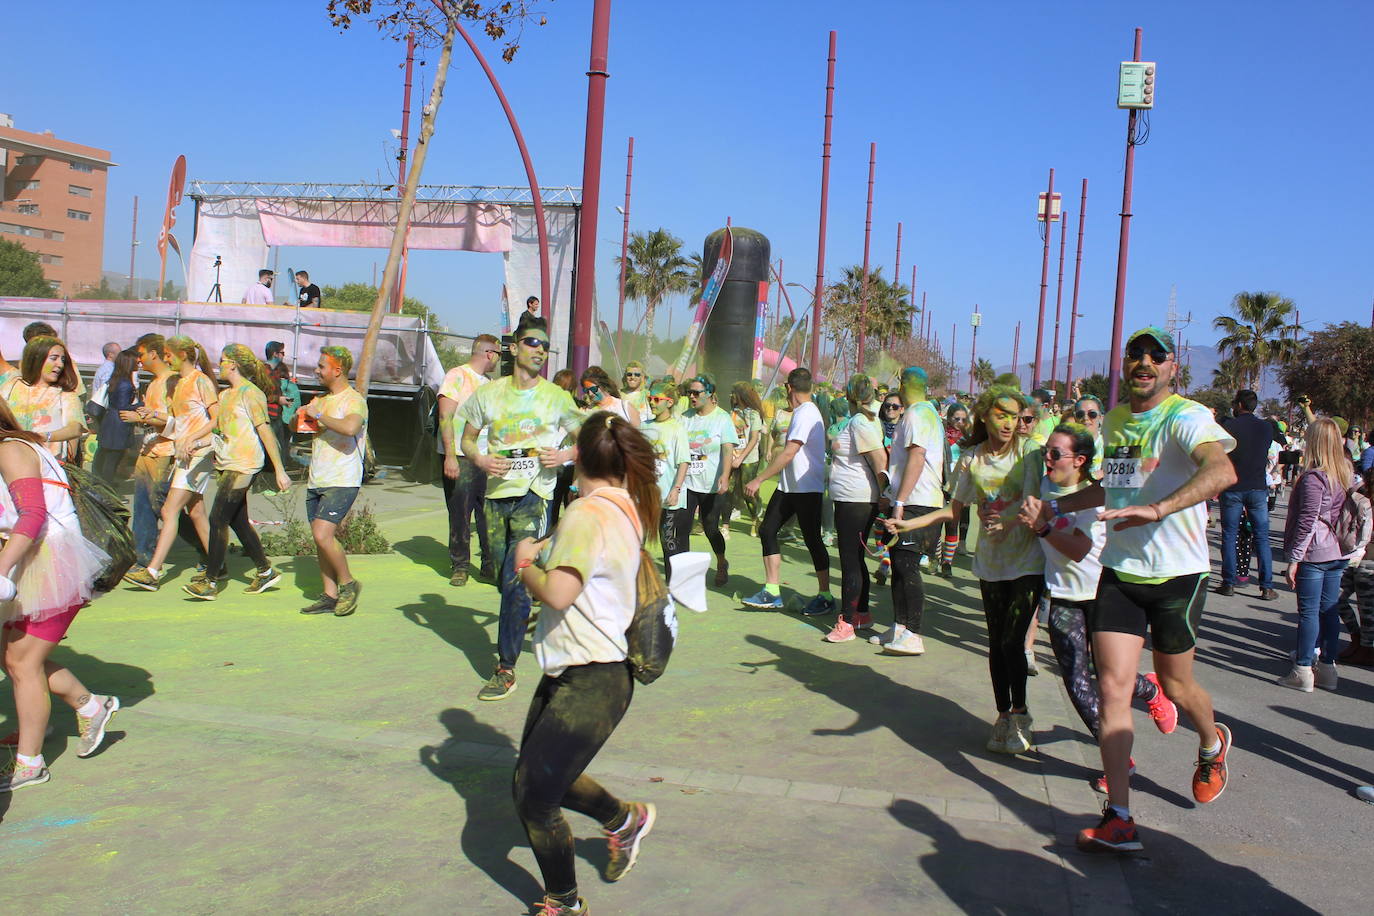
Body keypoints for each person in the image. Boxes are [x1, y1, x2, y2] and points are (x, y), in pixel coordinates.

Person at [1020, 326, 1238, 853]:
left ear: (1171, 367)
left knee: (1176, 684)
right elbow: (1112, 487)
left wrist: (1159, 509)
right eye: (1135, 354)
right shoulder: (1116, 422)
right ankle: (1119, 815)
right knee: (1113, 690)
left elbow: (1224, 470)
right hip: (1117, 573)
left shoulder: (1186, 417)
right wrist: (1058, 506)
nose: (1143, 362)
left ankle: (1212, 742)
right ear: (1125, 365)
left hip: (1176, 577)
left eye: (1155, 356)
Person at [510, 411, 660, 916]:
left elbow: (557, 592)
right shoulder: (624, 507)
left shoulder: (586, 514)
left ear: (581, 455)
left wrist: (525, 563)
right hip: (585, 672)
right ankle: (624, 820)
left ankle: (564, 903)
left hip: (591, 678)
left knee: (535, 796)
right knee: (543, 775)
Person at [888, 385, 1044, 753]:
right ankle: (1003, 715)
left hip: (1027, 562)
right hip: (990, 564)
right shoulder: (971, 458)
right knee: (995, 644)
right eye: (1001, 414)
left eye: (1015, 416)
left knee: (1012, 641)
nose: (1009, 423)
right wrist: (908, 524)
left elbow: (1035, 503)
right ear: (985, 415)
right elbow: (954, 510)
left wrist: (1007, 521)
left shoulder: (1030, 453)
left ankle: (1021, 714)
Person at [1035, 423, 1178, 794]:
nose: (1047, 459)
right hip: (1062, 593)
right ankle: (1117, 760)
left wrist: (1043, 529)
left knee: (1109, 679)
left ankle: (1150, 692)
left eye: (1055, 453)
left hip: (1101, 591)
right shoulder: (1040, 484)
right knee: (1077, 681)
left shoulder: (1095, 496)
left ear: (1080, 460)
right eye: (1045, 452)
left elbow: (1080, 549)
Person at [0, 399, 120, 792]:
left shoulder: (10, 449)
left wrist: (0, 569)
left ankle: (31, 763)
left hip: (52, 562)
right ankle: (89, 705)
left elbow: (32, 515)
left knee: (21, 659)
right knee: (13, 656)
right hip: (33, 561)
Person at [460, 324, 583, 702]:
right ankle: (547, 585)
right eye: (533, 343)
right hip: (497, 495)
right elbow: (466, 437)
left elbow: (586, 438)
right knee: (502, 576)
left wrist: (564, 456)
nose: (540, 350)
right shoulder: (488, 394)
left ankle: (506, 668)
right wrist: (479, 457)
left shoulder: (557, 398)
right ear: (515, 349)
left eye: (545, 346)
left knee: (514, 577)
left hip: (536, 493)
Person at [181, 345, 291, 600]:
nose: (219, 366)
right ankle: (265, 571)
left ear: (233, 364)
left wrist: (280, 470)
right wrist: (199, 443)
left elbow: (266, 432)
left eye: (222, 361)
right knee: (238, 521)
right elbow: (221, 431)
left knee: (217, 519)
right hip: (227, 463)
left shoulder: (251, 394)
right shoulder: (226, 395)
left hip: (244, 464)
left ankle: (211, 580)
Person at [124, 337, 220, 590]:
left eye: (168, 355)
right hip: (184, 454)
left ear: (183, 355)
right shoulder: (177, 385)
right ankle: (217, 563)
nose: (165, 359)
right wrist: (153, 415)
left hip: (198, 454)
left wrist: (194, 438)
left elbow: (217, 419)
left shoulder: (201, 381)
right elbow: (177, 424)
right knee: (197, 513)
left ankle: (152, 572)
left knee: (168, 510)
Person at [743, 368, 832, 613]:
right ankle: (772, 591)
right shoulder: (802, 411)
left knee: (813, 541)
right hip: (789, 487)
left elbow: (790, 451)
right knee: (767, 530)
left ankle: (825, 595)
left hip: (806, 488)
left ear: (788, 388)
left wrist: (759, 479)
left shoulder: (806, 412)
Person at [870, 368, 946, 653]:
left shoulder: (918, 414)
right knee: (899, 563)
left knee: (907, 565)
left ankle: (914, 633)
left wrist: (899, 503)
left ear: (904, 385)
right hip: (908, 499)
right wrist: (892, 496)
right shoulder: (918, 413)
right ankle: (899, 626)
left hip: (919, 501)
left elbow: (917, 457)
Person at [1280, 417, 1358, 691]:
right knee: (1328, 611)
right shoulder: (1346, 471)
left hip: (1316, 552)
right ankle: (1327, 668)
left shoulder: (1315, 477)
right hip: (1337, 549)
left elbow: (1307, 520)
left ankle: (1302, 668)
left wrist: (1294, 559)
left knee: (1309, 613)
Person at [297, 346, 368, 616]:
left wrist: (317, 415)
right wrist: (300, 416)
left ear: (337, 370)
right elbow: (302, 428)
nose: (317, 370)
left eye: (321, 366)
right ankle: (329, 595)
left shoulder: (354, 400)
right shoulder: (321, 400)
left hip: (343, 479)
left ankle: (348, 584)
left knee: (322, 533)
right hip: (318, 478)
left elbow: (350, 427)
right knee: (320, 540)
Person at [823, 375, 887, 643]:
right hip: (849, 498)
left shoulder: (862, 422)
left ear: (848, 394)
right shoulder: (857, 419)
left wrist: (886, 497)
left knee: (850, 560)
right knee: (856, 559)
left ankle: (846, 622)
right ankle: (861, 613)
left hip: (857, 500)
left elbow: (879, 459)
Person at [437, 335, 500, 586]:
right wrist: (450, 456)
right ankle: (460, 565)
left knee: (487, 514)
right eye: (499, 354)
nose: (499, 359)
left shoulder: (489, 383)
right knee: (460, 513)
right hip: (461, 458)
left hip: (485, 458)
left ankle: (488, 565)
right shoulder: (457, 376)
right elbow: (445, 417)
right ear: (489, 353)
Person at [1217, 390, 1282, 599]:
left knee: (1229, 535)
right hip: (1257, 486)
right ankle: (1267, 586)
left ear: (1238, 404)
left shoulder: (1229, 425)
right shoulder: (1265, 427)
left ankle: (1229, 582)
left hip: (1232, 486)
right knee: (1262, 537)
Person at [681, 375, 738, 588]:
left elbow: (727, 449)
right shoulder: (685, 417)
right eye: (690, 393)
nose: (692, 397)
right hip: (687, 482)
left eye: (697, 393)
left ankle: (722, 562)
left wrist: (725, 476)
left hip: (711, 484)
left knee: (710, 527)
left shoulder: (722, 418)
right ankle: (683, 571)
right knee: (682, 526)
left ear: (710, 394)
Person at [638, 378, 690, 581]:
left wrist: (676, 489)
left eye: (656, 399)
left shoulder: (677, 429)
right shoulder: (643, 426)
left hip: (669, 499)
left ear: (669, 402)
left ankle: (673, 585)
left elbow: (683, 462)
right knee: (636, 540)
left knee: (668, 542)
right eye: (649, 398)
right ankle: (636, 582)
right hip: (645, 497)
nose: (651, 403)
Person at [1, 336, 84, 462]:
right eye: (54, 358)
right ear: (36, 359)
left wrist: (45, 436)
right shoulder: (11, 385)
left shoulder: (65, 394)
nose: (60, 364)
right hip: (11, 462)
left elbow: (75, 428)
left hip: (47, 466)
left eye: (62, 359)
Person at [1337, 464, 1374, 667]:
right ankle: (1357, 639)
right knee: (1335, 596)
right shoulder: (1363, 495)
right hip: (1356, 557)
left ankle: (1367, 649)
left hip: (1369, 561)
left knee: (1367, 608)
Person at [92, 347, 140, 481]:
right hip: (118, 425)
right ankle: (107, 489)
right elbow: (123, 406)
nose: (139, 364)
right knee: (113, 459)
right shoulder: (126, 384)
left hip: (109, 421)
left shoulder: (116, 379)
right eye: (136, 362)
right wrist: (140, 405)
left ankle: (101, 484)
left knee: (104, 456)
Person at [937, 401, 971, 577]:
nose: (959, 422)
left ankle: (947, 563)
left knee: (952, 524)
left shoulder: (970, 438)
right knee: (935, 524)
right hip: (939, 481)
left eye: (963, 419)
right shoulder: (939, 434)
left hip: (958, 485)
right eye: (956, 418)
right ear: (949, 418)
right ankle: (936, 556)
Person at [728, 381, 765, 536]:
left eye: (734, 392)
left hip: (749, 458)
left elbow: (754, 439)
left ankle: (756, 517)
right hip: (733, 457)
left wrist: (741, 457)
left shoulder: (753, 414)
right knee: (729, 489)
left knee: (747, 492)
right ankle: (725, 522)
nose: (731, 395)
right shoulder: (733, 413)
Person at [263, 341, 301, 468]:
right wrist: (279, 399)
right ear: (275, 354)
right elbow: (260, 394)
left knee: (278, 451)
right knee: (271, 453)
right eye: (282, 353)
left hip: (276, 417)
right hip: (268, 417)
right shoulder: (264, 372)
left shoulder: (274, 373)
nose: (283, 356)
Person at [1072, 396, 1106, 477]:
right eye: (1080, 414)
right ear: (1075, 418)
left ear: (1101, 418)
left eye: (1092, 414)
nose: (1085, 418)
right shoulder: (1066, 445)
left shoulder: (1110, 445)